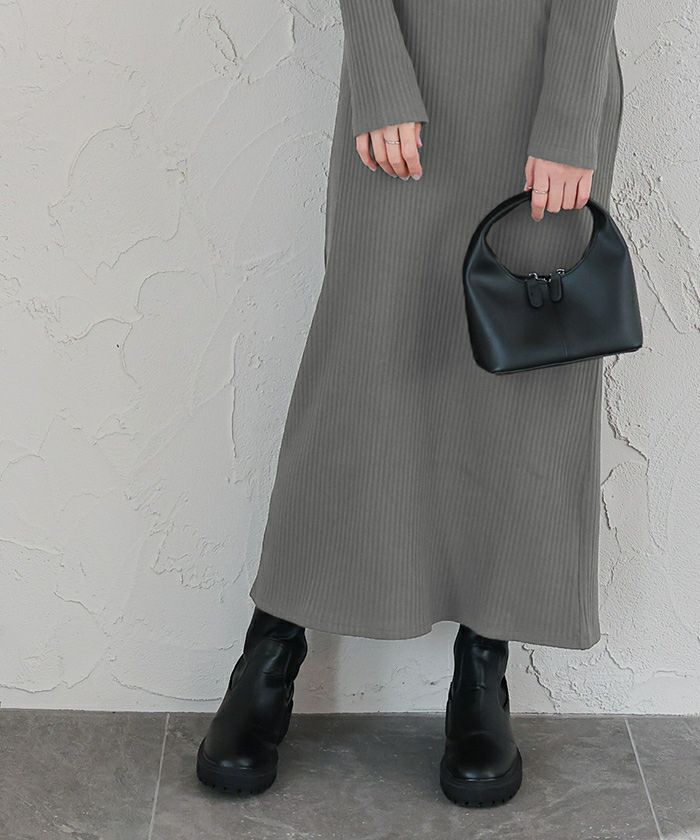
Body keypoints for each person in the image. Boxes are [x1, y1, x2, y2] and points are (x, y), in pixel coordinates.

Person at [196, 0, 624, 807]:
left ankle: (483, 670)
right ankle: (271, 651)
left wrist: (570, 112)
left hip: (544, 82)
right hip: (406, 67)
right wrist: (380, 70)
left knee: (518, 380)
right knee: (360, 363)